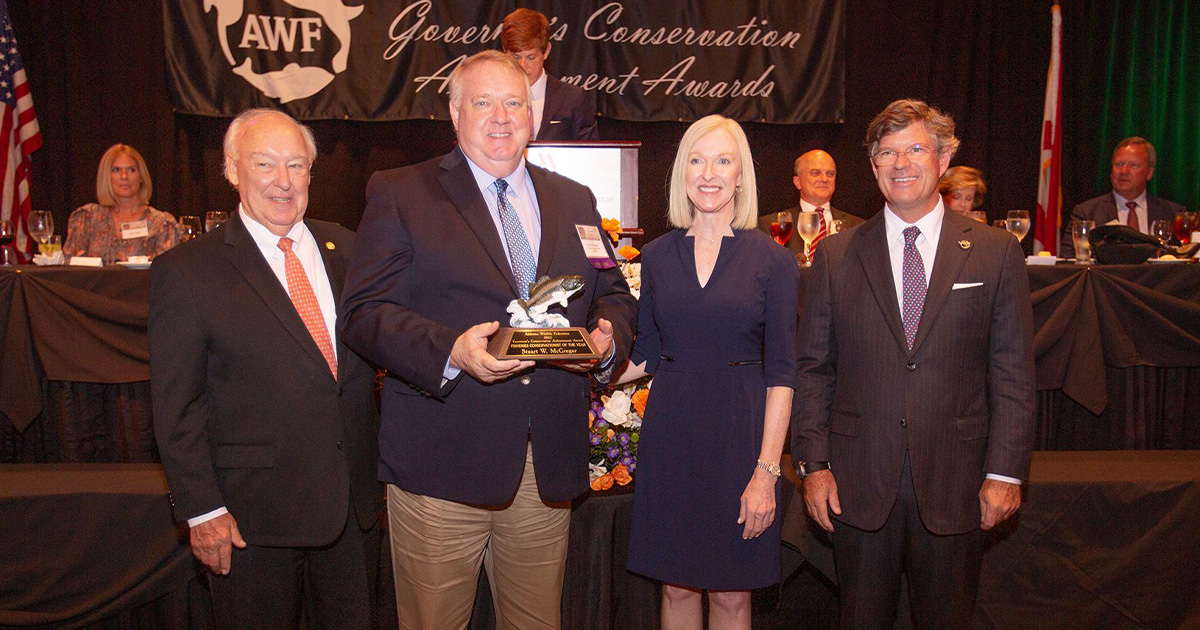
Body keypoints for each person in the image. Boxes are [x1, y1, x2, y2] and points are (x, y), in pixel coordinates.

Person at [338, 50, 637, 630]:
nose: (501, 117)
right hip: (440, 465)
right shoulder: (402, 192)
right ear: (454, 113)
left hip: (543, 467)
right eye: (483, 102)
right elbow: (363, 312)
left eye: (514, 103)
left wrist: (607, 340)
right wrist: (450, 351)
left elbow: (615, 294)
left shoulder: (574, 198)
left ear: (532, 113)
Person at [792, 99, 1035, 629]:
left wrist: (1005, 472)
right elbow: (813, 371)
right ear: (873, 166)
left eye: (916, 149)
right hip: (856, 485)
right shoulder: (834, 256)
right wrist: (813, 466)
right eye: (887, 153)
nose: (901, 163)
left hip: (958, 481)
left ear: (943, 160)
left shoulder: (995, 251)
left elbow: (1013, 373)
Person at [149, 109, 383, 629]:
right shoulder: (186, 271)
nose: (283, 181)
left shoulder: (350, 248)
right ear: (232, 169)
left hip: (352, 511)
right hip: (250, 521)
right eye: (265, 164)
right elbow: (176, 406)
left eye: (296, 165)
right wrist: (202, 510)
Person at [619, 114, 798, 630]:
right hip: (671, 437)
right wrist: (587, 362)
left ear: (741, 175)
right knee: (674, 586)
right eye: (697, 160)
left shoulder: (774, 261)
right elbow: (646, 353)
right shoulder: (655, 256)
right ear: (682, 173)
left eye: (723, 161)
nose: (709, 173)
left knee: (731, 595)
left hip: (740, 439)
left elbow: (783, 374)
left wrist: (766, 472)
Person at [1061, 136, 1185, 258]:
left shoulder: (1173, 213)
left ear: (1149, 172)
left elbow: (1185, 259)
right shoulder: (1087, 213)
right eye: (1118, 164)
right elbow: (1067, 261)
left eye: (1133, 165)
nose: (1124, 171)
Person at [64, 144, 181, 264]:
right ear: (106, 176)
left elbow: (169, 270)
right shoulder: (87, 218)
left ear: (141, 176)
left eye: (131, 170)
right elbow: (70, 266)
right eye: (116, 170)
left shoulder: (161, 224)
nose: (124, 176)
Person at [501, 8, 599, 141]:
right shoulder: (490, 97)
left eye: (531, 57)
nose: (523, 66)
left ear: (546, 51)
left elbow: (591, 151)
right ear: (504, 52)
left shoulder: (572, 99)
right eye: (516, 57)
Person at [757, 149, 863, 259]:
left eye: (830, 174)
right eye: (816, 173)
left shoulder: (858, 226)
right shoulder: (773, 225)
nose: (824, 179)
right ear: (797, 182)